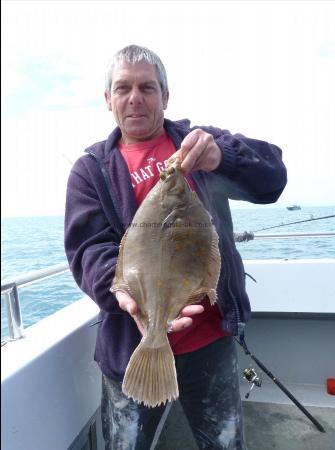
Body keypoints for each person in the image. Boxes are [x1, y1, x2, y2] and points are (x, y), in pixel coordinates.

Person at [64, 44, 287, 450]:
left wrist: (224, 158)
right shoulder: (91, 170)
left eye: (148, 88)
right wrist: (124, 296)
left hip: (209, 339)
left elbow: (272, 179)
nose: (135, 98)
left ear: (165, 96)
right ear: (108, 99)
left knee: (225, 444)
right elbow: (87, 250)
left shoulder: (199, 144)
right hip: (132, 342)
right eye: (123, 88)